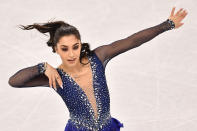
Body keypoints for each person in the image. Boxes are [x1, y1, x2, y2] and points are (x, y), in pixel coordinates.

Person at [8, 7, 187, 131]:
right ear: (55, 49)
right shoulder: (56, 77)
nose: (71, 54)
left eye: (75, 46)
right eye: (64, 49)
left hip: (108, 127)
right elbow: (14, 81)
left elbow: (132, 41)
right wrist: (42, 67)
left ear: (80, 44)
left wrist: (168, 24)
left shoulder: (98, 58)